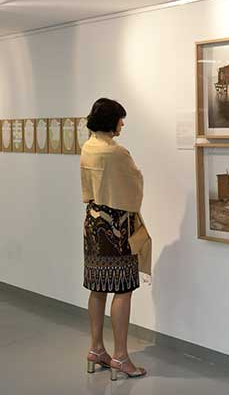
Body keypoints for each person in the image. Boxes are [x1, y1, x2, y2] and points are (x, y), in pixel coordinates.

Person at [80, 98, 148, 380]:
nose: (122, 124)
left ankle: (96, 349)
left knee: (97, 288)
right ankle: (120, 356)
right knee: (123, 289)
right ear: (111, 121)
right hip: (117, 227)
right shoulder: (116, 153)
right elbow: (135, 183)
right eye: (120, 119)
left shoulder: (88, 147)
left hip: (93, 224)